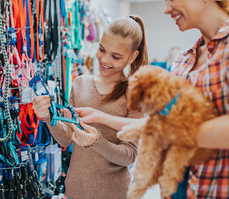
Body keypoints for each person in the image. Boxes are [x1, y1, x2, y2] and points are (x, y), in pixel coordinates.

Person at [78, 0, 229, 198]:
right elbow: (156, 124)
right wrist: (101, 118)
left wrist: (171, 132)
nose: (166, 8)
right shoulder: (184, 59)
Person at [32, 15, 148, 199]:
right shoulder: (80, 84)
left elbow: (129, 156)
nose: (105, 60)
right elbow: (66, 139)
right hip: (75, 191)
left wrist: (97, 142)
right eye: (102, 49)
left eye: (116, 56)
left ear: (133, 56)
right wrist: (47, 116)